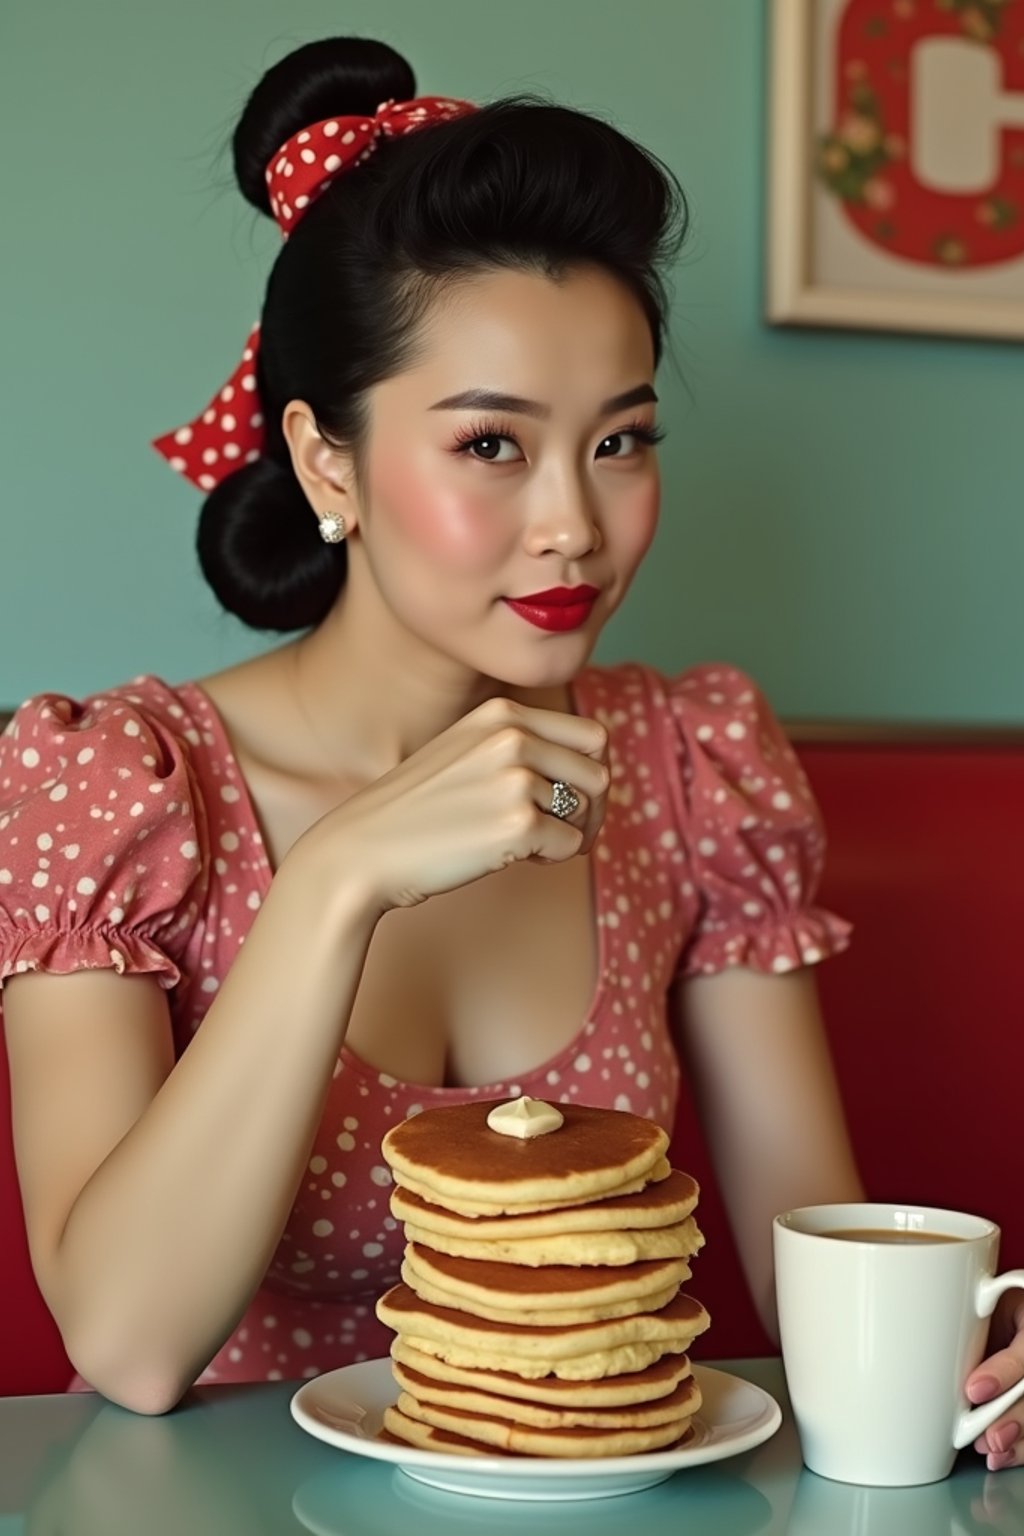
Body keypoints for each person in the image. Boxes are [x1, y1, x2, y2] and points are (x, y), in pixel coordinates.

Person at [0, 38, 1020, 1463]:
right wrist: (339, 878)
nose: (575, 528)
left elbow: (812, 1280)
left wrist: (973, 1364)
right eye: (492, 445)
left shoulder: (686, 763)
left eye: (622, 441)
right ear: (325, 462)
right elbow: (130, 1342)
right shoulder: (124, 788)